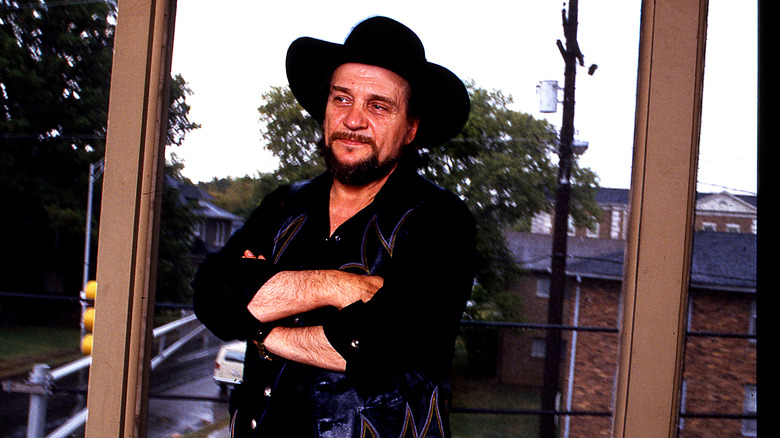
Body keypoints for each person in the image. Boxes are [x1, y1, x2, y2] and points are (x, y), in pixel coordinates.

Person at [192, 16, 475, 437]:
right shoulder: (284, 205)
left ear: (411, 128)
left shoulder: (442, 220)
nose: (354, 120)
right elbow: (213, 294)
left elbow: (385, 344)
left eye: (378, 106)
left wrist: (261, 327)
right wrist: (335, 287)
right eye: (342, 99)